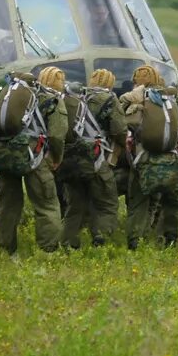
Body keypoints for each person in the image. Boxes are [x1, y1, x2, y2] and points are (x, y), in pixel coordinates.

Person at [120, 64, 178, 249]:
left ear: (136, 82)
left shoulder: (134, 99)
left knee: (138, 204)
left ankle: (135, 243)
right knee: (173, 203)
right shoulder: (174, 98)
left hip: (144, 161)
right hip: (175, 161)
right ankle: (170, 241)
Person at [0, 66, 68, 254]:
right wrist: (56, 158)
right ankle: (48, 250)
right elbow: (57, 136)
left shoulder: (17, 96)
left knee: (7, 206)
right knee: (47, 204)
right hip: (35, 156)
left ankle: (6, 250)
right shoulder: (52, 99)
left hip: (5, 155)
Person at [60, 68, 127, 249]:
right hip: (96, 160)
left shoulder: (77, 97)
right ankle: (101, 239)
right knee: (107, 202)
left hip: (73, 159)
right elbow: (119, 130)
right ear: (110, 83)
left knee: (75, 206)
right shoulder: (109, 99)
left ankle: (68, 242)